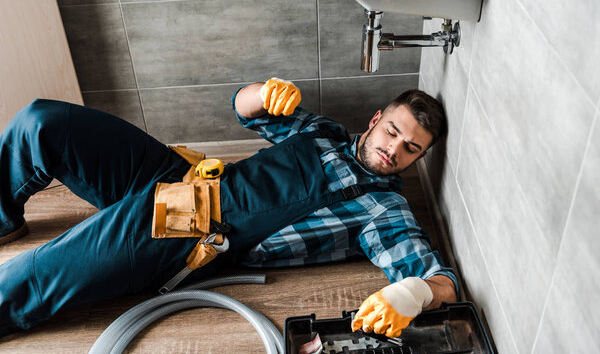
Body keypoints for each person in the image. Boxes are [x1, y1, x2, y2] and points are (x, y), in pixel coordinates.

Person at [0, 78, 457, 339]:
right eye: (393, 132)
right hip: (182, 174)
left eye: (411, 149)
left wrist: (413, 294)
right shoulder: (323, 132)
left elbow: (442, 282)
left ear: (418, 159)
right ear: (376, 120)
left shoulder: (383, 208)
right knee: (42, 122)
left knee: (37, 275)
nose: (394, 150)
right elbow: (246, 110)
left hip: (190, 228)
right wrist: (262, 92)